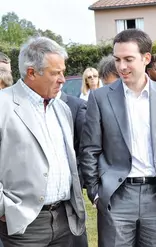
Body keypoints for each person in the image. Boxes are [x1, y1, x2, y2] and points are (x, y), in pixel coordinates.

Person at [79, 29, 156, 247]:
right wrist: (95, 191)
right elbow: (90, 149)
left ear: (146, 58)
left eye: (128, 59)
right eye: (117, 59)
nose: (121, 66)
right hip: (116, 197)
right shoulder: (100, 97)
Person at [0, 36, 86, 246]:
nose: (63, 79)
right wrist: (4, 209)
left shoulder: (62, 108)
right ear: (31, 73)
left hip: (67, 221)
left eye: (63, 72)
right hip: (24, 228)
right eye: (55, 73)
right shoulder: (3, 106)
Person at [58, 89, 88, 247]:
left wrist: (80, 179)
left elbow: (86, 149)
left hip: (70, 196)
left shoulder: (76, 106)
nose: (61, 79)